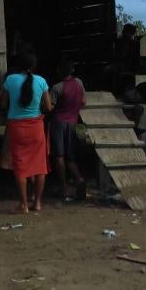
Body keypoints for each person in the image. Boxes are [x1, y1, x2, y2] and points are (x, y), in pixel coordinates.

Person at [0, 53, 52, 213]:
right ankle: (37, 203)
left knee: (20, 165)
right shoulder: (42, 81)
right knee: (40, 167)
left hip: (16, 128)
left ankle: (23, 205)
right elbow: (48, 108)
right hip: (36, 127)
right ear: (34, 66)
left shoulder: (10, 80)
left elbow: (3, 104)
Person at [49, 60, 87, 201]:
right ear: (72, 71)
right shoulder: (79, 83)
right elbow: (83, 102)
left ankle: (63, 187)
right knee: (70, 157)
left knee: (59, 156)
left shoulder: (56, 88)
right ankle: (79, 180)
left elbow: (50, 108)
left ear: (59, 71)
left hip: (58, 122)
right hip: (73, 122)